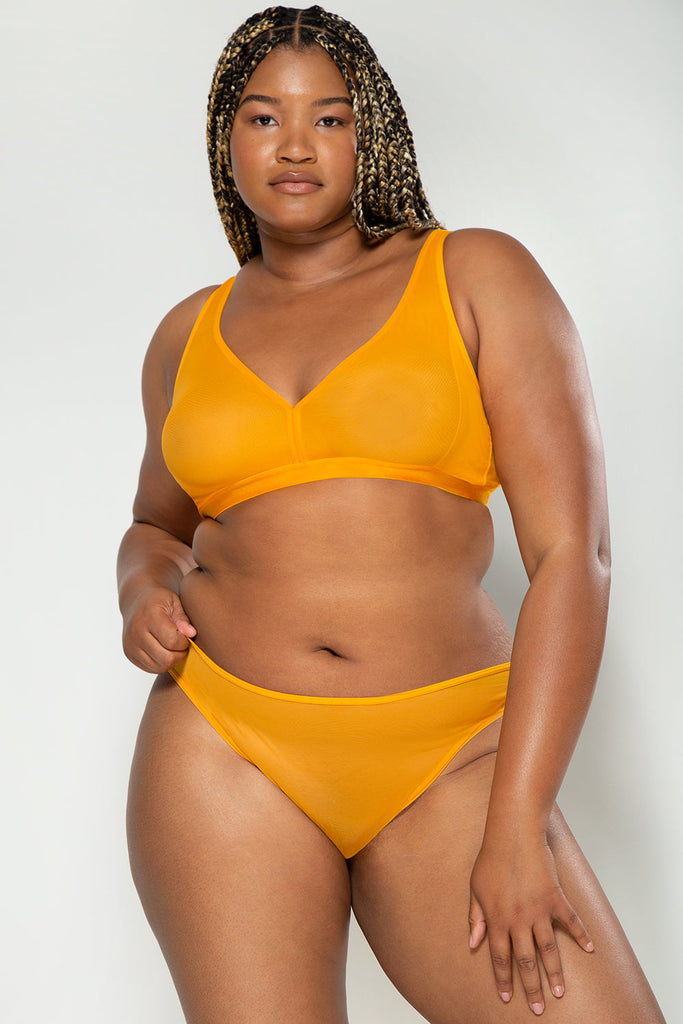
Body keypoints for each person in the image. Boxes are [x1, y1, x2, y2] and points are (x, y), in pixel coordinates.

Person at [117, 6, 665, 1022]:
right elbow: (155, 524)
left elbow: (571, 556)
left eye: (327, 118)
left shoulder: (474, 275)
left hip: (449, 757)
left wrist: (516, 823)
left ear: (371, 132)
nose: (292, 145)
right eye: (262, 117)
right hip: (225, 745)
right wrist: (141, 588)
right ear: (224, 140)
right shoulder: (186, 335)